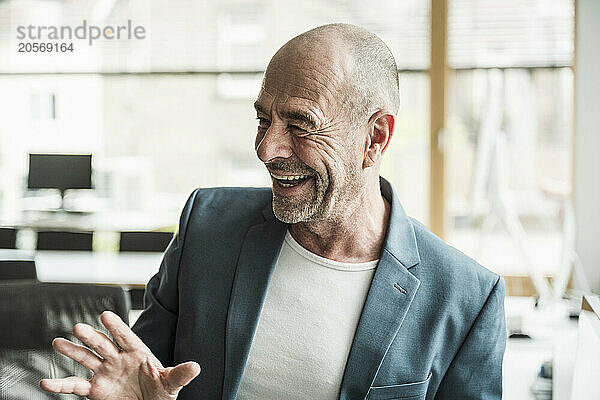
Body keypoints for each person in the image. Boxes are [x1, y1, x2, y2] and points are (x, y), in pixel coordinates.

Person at [41, 24, 506, 400]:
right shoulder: (207, 225)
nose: (266, 149)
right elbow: (144, 378)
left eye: (300, 125)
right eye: (264, 119)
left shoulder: (466, 298)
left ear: (375, 138)